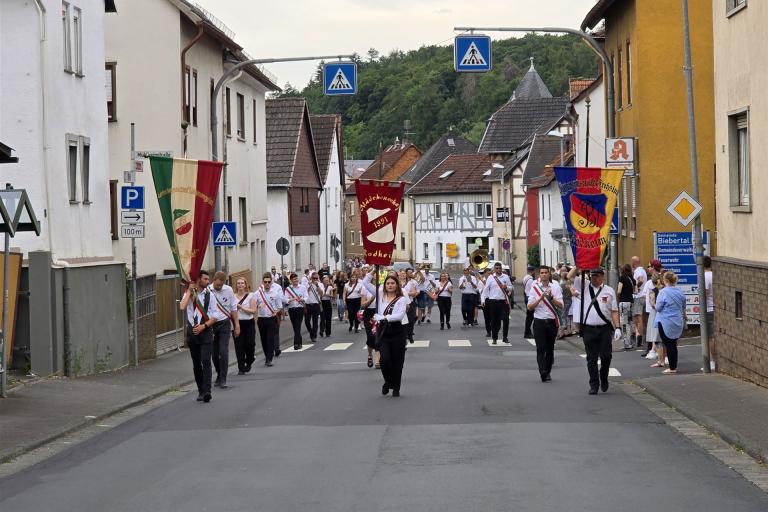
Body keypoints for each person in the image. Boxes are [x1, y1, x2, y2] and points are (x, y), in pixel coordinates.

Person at [580, 267, 621, 394]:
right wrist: (580, 265)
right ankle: (594, 384)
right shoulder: (585, 288)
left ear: (602, 277)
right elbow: (570, 277)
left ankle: (603, 376)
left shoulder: (609, 291)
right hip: (589, 328)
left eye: (597, 276)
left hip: (604, 328)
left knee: (606, 356)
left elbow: (614, 311)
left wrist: (618, 327)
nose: (594, 278)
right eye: (592, 276)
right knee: (591, 358)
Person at [179, 270, 217, 403]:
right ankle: (201, 390)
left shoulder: (210, 295)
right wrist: (189, 290)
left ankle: (207, 391)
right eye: (205, 279)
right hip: (192, 332)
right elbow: (182, 307)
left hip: (205, 331)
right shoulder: (188, 293)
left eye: (208, 279)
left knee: (206, 361)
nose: (208, 282)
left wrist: (204, 326)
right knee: (196, 363)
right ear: (199, 280)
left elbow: (214, 316)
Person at [369, 275, 409, 397]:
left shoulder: (401, 299)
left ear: (397, 285)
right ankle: (387, 382)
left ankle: (396, 387)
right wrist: (372, 269)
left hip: (397, 331)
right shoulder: (380, 296)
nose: (390, 285)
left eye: (392, 283)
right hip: (384, 332)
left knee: (397, 362)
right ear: (384, 285)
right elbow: (366, 282)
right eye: (388, 283)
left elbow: (399, 316)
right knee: (384, 360)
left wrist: (383, 317)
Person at [527, 266, 564, 382]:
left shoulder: (555, 287)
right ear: (539, 275)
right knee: (540, 348)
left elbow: (561, 306)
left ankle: (547, 371)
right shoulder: (534, 288)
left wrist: (551, 298)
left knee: (550, 349)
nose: (543, 275)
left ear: (549, 274)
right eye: (541, 273)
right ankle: (542, 371)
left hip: (551, 322)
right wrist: (540, 298)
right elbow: (529, 307)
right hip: (539, 321)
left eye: (545, 273)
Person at [208, 271, 240, 389]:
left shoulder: (228, 290)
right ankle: (218, 373)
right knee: (214, 354)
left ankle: (223, 378)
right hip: (212, 324)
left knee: (223, 351)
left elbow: (233, 308)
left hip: (225, 324)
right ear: (214, 280)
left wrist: (237, 325)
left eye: (221, 285)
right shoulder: (208, 291)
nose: (219, 287)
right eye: (217, 285)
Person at [655, 271, 687, 375]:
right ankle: (674, 366)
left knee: (668, 344)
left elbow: (658, 308)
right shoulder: (680, 292)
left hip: (666, 321)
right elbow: (683, 306)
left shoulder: (663, 292)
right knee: (673, 344)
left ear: (666, 281)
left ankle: (672, 368)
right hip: (678, 320)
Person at [254, 273, 284, 366]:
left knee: (270, 339)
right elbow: (253, 306)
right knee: (263, 340)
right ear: (262, 282)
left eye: (269, 282)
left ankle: (269, 359)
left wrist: (276, 311)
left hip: (272, 319)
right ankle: (267, 355)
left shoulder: (275, 294)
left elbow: (280, 306)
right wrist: (258, 306)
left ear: (271, 282)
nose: (267, 283)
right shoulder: (257, 293)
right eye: (265, 282)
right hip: (261, 319)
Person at [481, 262, 513, 344]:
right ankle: (494, 337)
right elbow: (485, 290)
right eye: (497, 268)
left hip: (503, 301)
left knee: (506, 319)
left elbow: (511, 288)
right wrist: (483, 300)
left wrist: (507, 287)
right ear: (494, 269)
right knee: (495, 320)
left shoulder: (505, 277)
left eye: (500, 268)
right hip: (493, 302)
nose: (498, 270)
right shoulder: (491, 278)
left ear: (501, 269)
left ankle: (505, 337)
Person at [233, 277, 257, 375]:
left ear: (245, 284)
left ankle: (250, 359)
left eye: (242, 283)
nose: (240, 285)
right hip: (237, 323)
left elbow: (253, 310)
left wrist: (241, 307)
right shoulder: (233, 297)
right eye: (238, 283)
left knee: (250, 343)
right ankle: (241, 367)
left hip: (249, 322)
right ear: (236, 285)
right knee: (239, 346)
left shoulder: (251, 295)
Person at [284, 273, 307, 350]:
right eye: (294, 279)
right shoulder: (288, 289)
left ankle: (296, 344)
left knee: (297, 326)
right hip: (291, 309)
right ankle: (299, 342)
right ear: (291, 280)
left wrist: (302, 299)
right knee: (295, 327)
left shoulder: (302, 287)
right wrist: (290, 299)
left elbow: (306, 296)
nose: (296, 280)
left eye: (296, 278)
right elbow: (285, 299)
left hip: (299, 309)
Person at [616, 264, 636, 351]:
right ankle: (630, 342)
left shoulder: (622, 278)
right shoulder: (632, 279)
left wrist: (618, 294)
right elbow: (635, 291)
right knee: (629, 322)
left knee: (624, 323)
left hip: (623, 303)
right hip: (630, 302)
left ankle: (626, 343)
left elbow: (619, 290)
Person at [647, 274, 664, 368]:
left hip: (656, 314)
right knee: (664, 339)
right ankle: (664, 359)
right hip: (664, 314)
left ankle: (660, 361)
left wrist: (657, 307)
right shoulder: (664, 290)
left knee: (657, 339)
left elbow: (652, 303)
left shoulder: (653, 291)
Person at [631, 256, 647, 348]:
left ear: (634, 262)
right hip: (641, 296)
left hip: (638, 296)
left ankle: (639, 338)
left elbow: (640, 280)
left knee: (638, 318)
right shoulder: (642, 270)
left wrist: (635, 287)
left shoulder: (638, 271)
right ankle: (640, 337)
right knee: (640, 318)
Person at [704, 256, 716, 371]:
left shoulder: (705, 277)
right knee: (713, 336)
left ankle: (712, 362)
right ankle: (714, 361)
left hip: (708, 309)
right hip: (714, 307)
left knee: (710, 337)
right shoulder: (713, 274)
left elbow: (705, 293)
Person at [304, 272, 322, 343]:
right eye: (314, 278)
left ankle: (314, 336)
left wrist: (317, 286)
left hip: (315, 304)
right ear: (311, 278)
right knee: (307, 321)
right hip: (308, 304)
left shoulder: (319, 284)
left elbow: (322, 294)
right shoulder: (307, 284)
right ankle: (311, 332)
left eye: (316, 278)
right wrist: (309, 285)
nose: (315, 279)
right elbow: (304, 292)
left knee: (315, 321)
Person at [403, 268, 419, 343]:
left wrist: (405, 293)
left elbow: (415, 293)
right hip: (400, 303)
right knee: (403, 320)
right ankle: (405, 335)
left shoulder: (413, 282)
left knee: (411, 319)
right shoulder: (399, 282)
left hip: (410, 302)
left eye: (411, 272)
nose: (411, 274)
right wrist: (408, 293)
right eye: (409, 272)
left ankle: (410, 335)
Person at [522, 265, 536, 338]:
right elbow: (532, 289)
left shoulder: (525, 277)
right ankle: (527, 332)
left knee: (529, 316)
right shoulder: (530, 279)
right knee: (530, 317)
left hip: (526, 296)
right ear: (532, 271)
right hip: (529, 297)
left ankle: (527, 331)